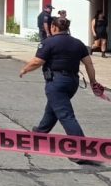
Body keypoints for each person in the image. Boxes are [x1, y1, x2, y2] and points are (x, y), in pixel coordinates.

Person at [19, 17, 98, 164]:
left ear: (54, 27)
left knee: (66, 115)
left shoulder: (48, 42)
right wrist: (93, 82)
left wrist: (25, 69)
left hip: (56, 82)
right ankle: (40, 133)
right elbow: (89, 64)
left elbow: (37, 61)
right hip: (72, 82)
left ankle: (81, 150)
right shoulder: (78, 43)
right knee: (53, 109)